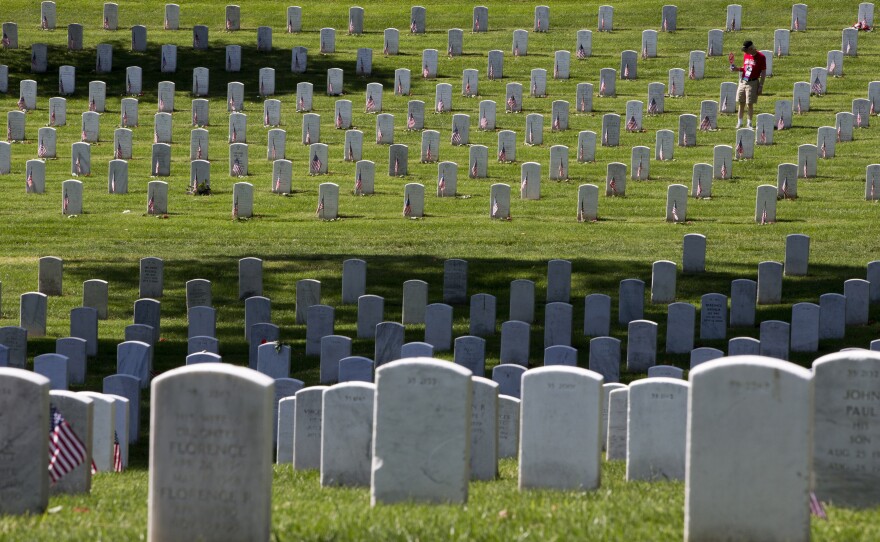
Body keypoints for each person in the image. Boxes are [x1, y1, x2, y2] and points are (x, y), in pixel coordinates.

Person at [730, 40, 766, 129]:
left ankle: (749, 123)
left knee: (749, 103)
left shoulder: (761, 57)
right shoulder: (746, 55)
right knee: (741, 102)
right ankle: (740, 123)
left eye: (746, 50)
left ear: (751, 48)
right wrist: (737, 69)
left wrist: (761, 86)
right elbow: (746, 68)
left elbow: (763, 72)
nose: (745, 52)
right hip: (744, 80)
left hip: (753, 82)